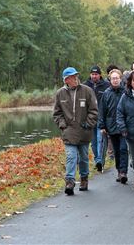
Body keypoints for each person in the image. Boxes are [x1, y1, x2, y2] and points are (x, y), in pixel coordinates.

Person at [53, 67, 98, 195]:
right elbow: (57, 113)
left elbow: (94, 110)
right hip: (69, 132)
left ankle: (84, 179)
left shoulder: (87, 91)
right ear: (66, 80)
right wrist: (63, 125)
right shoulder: (60, 93)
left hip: (84, 131)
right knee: (71, 157)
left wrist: (88, 124)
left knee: (83, 157)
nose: (75, 78)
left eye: (76, 76)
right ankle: (70, 181)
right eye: (72, 77)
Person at [98, 69, 128, 184]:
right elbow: (102, 111)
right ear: (110, 80)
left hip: (124, 126)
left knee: (123, 149)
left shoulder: (126, 92)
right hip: (111, 126)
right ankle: (119, 170)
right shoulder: (106, 93)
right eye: (113, 78)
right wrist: (102, 126)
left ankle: (123, 172)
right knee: (116, 150)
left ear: (120, 79)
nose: (115, 80)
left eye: (117, 78)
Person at [84, 65, 110, 173]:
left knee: (100, 139)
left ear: (100, 75)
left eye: (96, 74)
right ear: (90, 75)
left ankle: (100, 161)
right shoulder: (85, 86)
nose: (94, 76)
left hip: (101, 117)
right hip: (89, 118)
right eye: (92, 74)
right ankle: (96, 159)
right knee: (93, 142)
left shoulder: (106, 86)